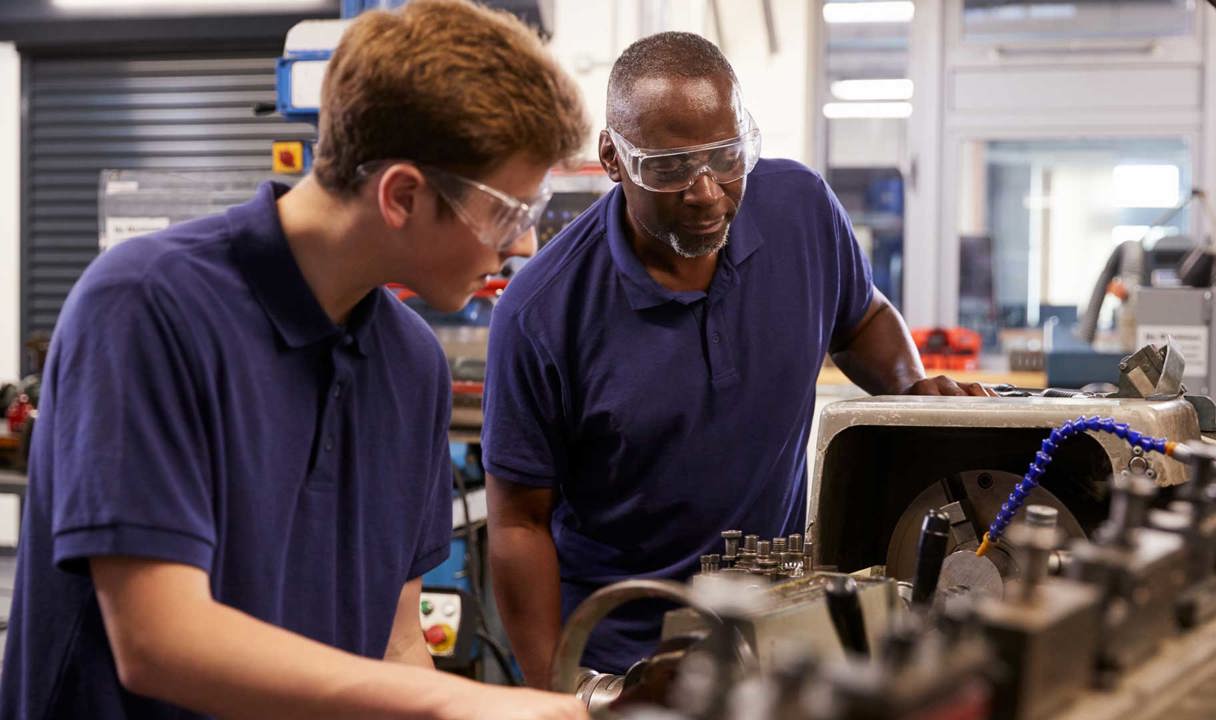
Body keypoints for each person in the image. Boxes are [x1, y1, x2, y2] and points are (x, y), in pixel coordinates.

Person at [0, 2, 590, 718]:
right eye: (510, 213)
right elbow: (158, 638)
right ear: (402, 195)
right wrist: (444, 701)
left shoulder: (411, 366)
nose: (524, 246)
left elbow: (397, 642)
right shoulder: (146, 306)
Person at [481, 31, 990, 687]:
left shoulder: (799, 209)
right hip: (626, 660)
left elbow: (860, 315)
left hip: (780, 630)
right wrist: (561, 690)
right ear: (612, 157)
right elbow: (519, 523)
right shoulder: (540, 313)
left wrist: (911, 389)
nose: (706, 192)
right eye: (669, 167)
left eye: (726, 157)